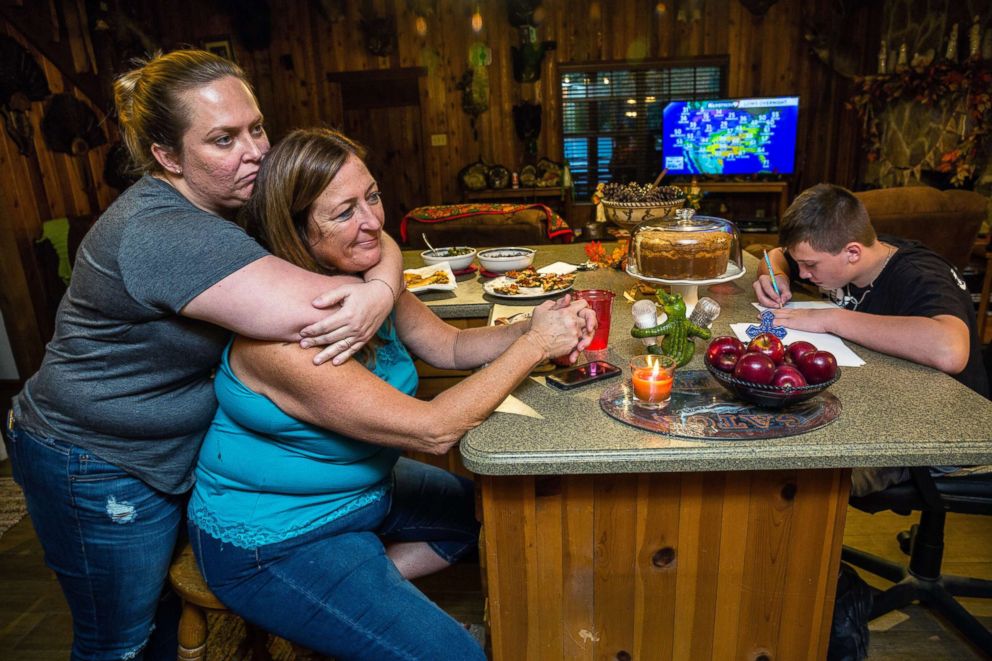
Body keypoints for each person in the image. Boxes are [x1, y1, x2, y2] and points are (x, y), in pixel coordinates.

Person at [2, 50, 406, 660]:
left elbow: (369, 237)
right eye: (223, 139)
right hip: (94, 456)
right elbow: (326, 303)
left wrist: (379, 285)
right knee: (116, 639)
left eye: (256, 128)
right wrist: (376, 288)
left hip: (164, 448)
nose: (256, 151)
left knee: (159, 619)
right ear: (167, 157)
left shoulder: (230, 204)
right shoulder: (165, 231)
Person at [186, 127, 596, 660]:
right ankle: (350, 610)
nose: (373, 222)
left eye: (372, 196)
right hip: (276, 539)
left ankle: (360, 605)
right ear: (295, 233)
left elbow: (448, 346)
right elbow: (434, 429)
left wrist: (528, 327)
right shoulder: (282, 340)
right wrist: (538, 346)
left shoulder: (367, 284)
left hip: (362, 494)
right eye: (344, 212)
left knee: (481, 515)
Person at [754, 183, 989, 496]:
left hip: (939, 432)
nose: (804, 273)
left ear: (853, 252)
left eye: (810, 266)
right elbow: (776, 255)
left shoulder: (919, 274)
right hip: (886, 401)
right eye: (801, 265)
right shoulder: (839, 253)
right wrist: (777, 274)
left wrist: (832, 319)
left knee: (795, 478)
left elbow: (950, 349)